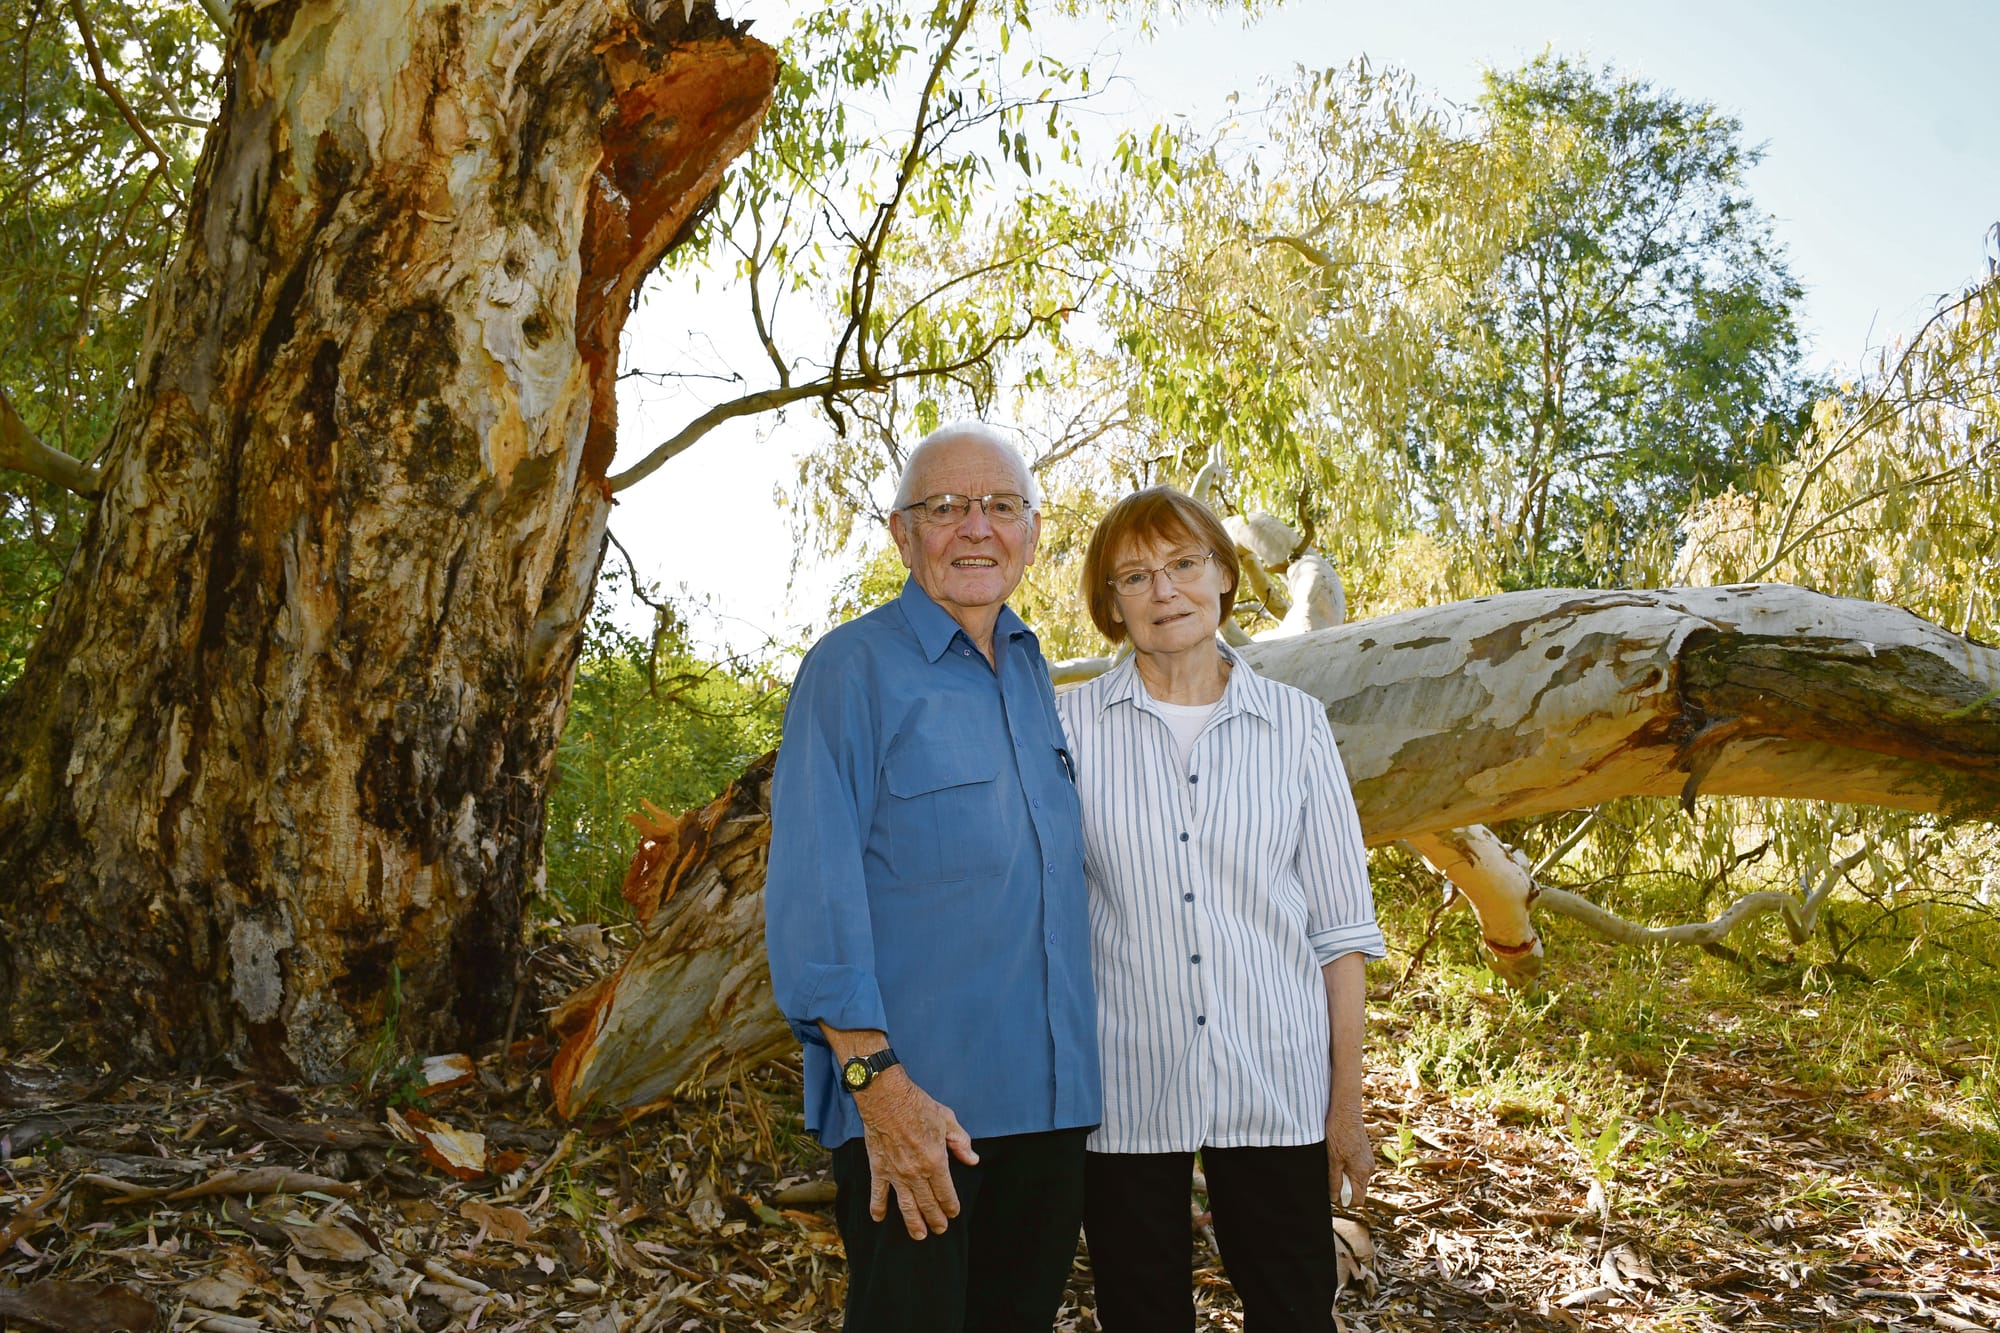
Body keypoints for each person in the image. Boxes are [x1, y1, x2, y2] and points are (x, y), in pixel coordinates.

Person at [763, 422, 1099, 1333]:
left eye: (999, 506)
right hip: (920, 1112)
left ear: (1031, 531)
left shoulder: (1037, 676)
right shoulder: (850, 670)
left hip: (1051, 1110)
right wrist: (879, 1085)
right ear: (902, 534)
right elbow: (813, 893)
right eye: (945, 508)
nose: (974, 528)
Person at [1054, 486, 1385, 1333]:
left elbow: (1339, 933)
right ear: (1111, 604)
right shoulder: (1069, 727)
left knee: (1293, 1309)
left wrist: (1344, 1108)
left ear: (1226, 575)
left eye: (1183, 563)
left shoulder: (1299, 727)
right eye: (1135, 575)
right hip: (1126, 1089)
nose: (1164, 590)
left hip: (1274, 1080)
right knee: (1140, 1315)